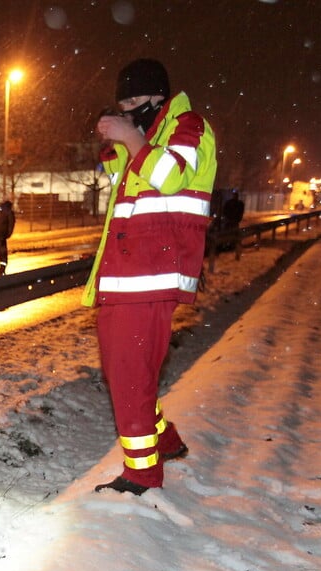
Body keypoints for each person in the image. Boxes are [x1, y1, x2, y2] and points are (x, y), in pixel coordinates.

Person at [86, 58, 217, 494]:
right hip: (126, 274)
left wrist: (131, 137)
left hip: (150, 275)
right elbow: (119, 178)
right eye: (122, 101)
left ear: (157, 97)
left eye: (133, 99)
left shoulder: (188, 125)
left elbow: (169, 177)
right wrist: (116, 142)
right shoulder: (152, 133)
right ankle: (167, 441)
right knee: (128, 372)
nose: (127, 107)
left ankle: (141, 475)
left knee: (128, 375)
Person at [221, 190, 245, 257]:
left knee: (231, 233)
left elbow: (240, 213)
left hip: (232, 221)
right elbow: (225, 210)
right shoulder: (234, 203)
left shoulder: (237, 203)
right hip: (231, 221)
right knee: (229, 233)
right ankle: (228, 245)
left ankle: (229, 245)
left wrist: (235, 219)